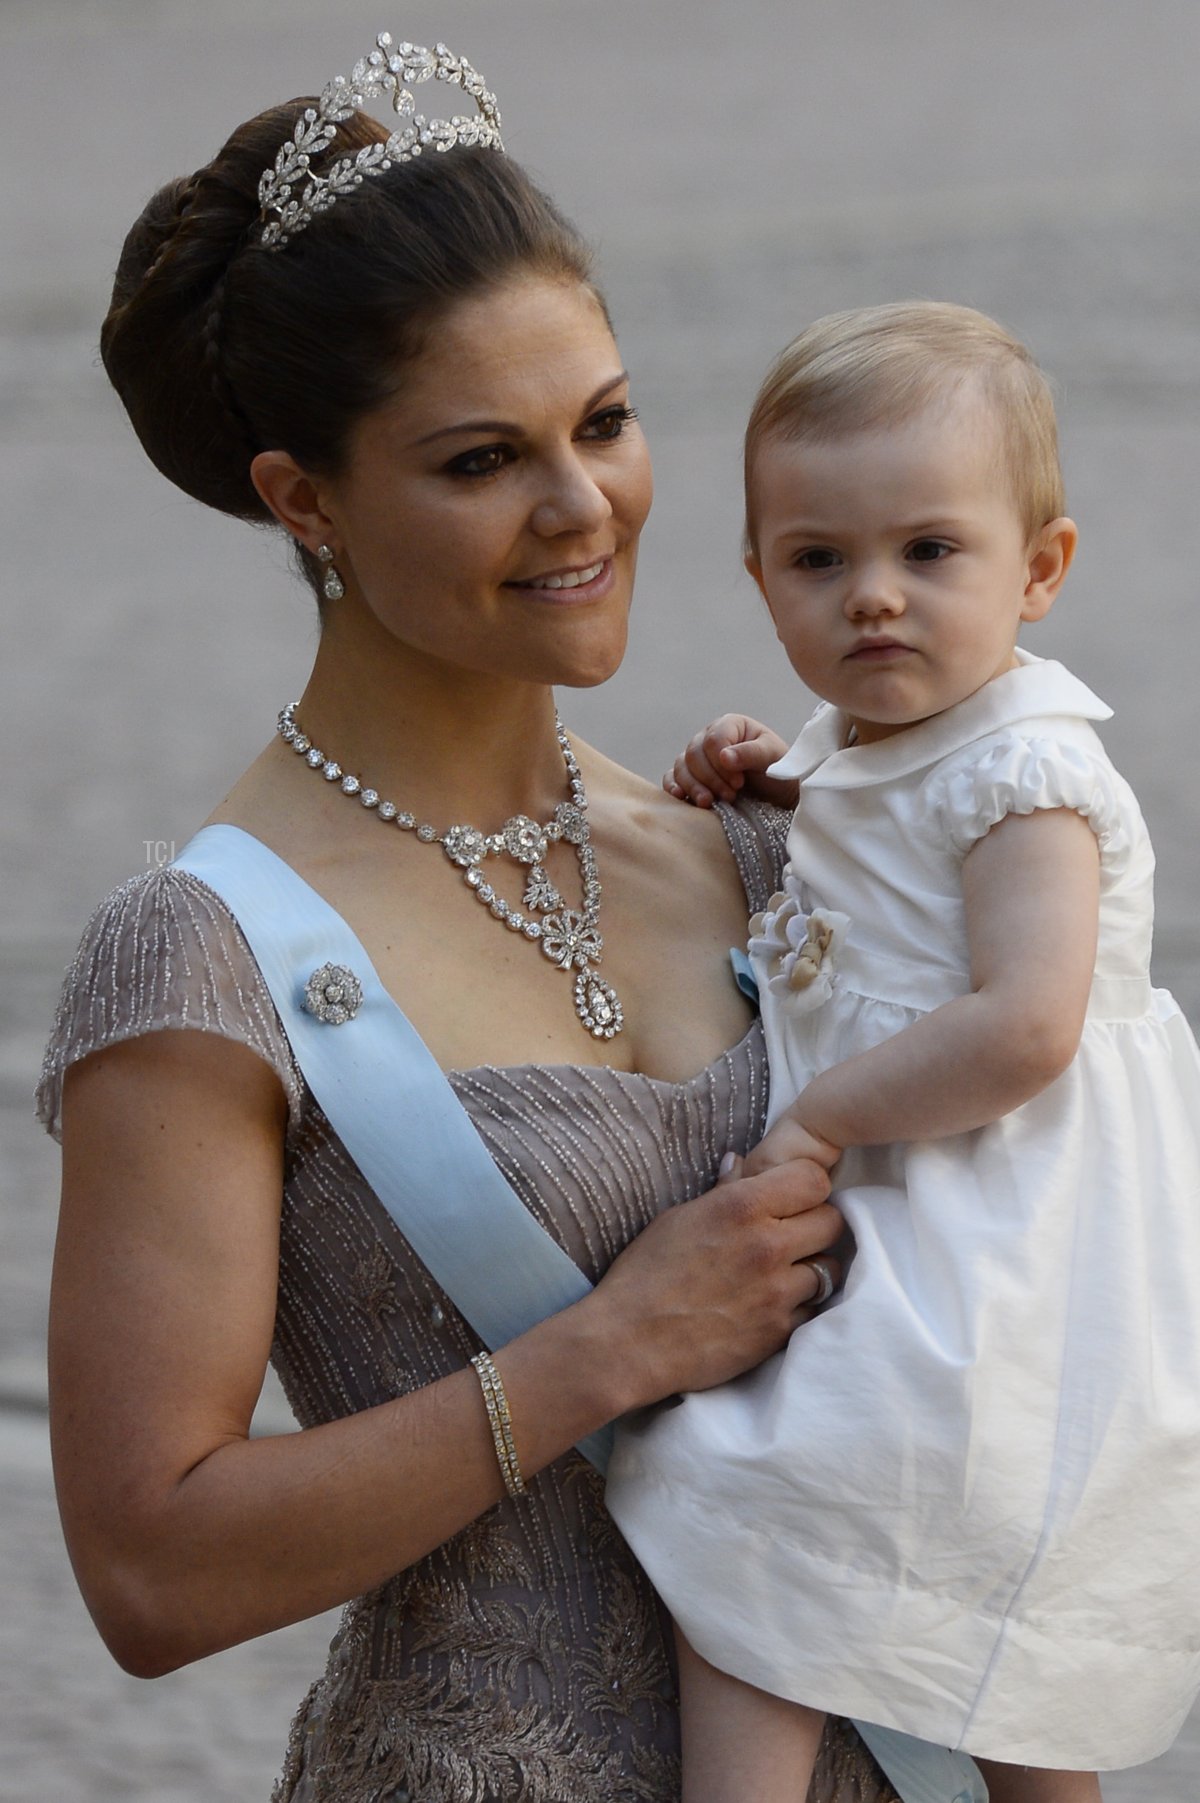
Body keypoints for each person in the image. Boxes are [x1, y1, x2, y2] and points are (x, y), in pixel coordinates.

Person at [33, 38, 985, 1803]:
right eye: (482, 461)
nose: (584, 510)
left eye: (606, 423)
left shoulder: (770, 847)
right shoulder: (204, 957)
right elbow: (149, 1571)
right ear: (301, 500)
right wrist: (602, 1355)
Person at [605, 301, 1200, 1803]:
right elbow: (864, 865)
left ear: (1039, 570)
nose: (874, 599)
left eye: (929, 553)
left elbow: (1027, 1023)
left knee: (757, 1509)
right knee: (990, 1645)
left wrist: (822, 1122)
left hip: (1005, 1254)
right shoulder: (867, 740)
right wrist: (753, 775)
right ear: (760, 579)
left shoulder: (1029, 773)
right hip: (943, 1236)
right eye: (820, 561)